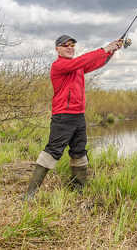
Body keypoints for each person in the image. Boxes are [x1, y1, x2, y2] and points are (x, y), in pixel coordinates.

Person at [24, 34, 123, 201]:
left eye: (72, 45)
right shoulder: (59, 65)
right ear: (57, 49)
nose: (70, 47)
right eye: (65, 45)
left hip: (79, 116)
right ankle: (30, 194)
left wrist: (111, 51)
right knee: (52, 151)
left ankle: (79, 191)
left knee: (79, 152)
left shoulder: (77, 67)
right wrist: (106, 47)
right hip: (63, 116)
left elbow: (96, 62)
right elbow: (83, 60)